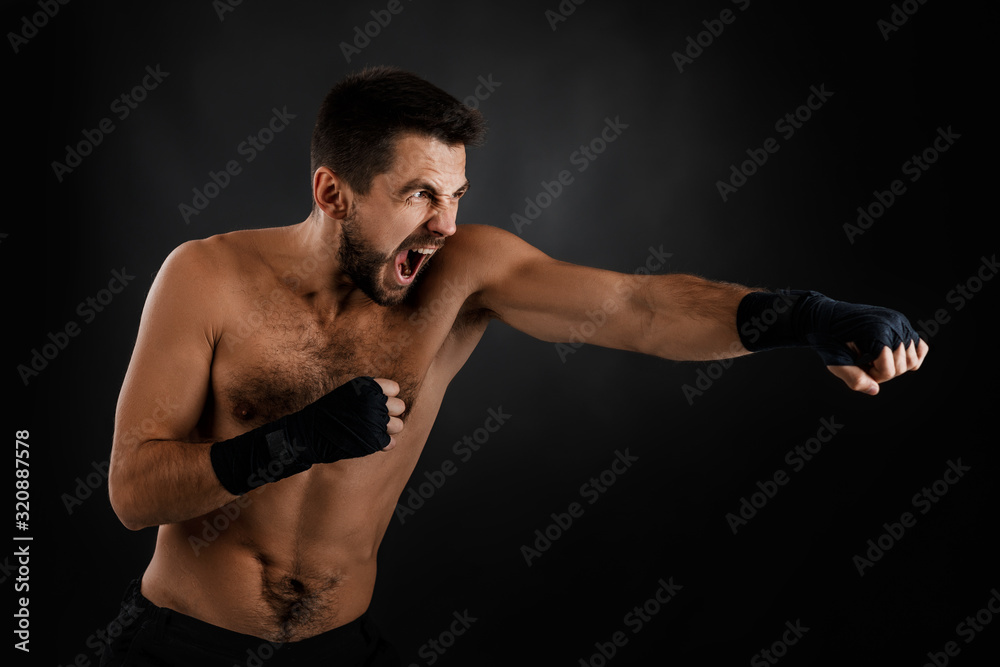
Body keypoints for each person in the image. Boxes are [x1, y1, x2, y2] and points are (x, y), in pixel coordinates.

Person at [103, 66, 928, 666]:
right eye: (422, 194)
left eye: (457, 195)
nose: (445, 224)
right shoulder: (206, 276)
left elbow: (640, 309)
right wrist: (289, 442)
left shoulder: (463, 277)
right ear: (333, 193)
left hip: (339, 647)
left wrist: (805, 316)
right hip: (185, 648)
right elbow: (134, 493)